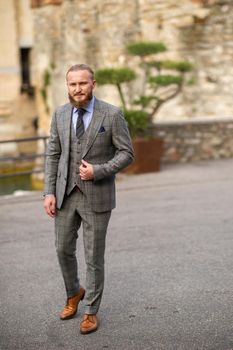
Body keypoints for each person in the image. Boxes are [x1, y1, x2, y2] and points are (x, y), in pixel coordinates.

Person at [43, 64, 134, 334]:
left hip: (97, 195)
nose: (77, 89)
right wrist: (49, 191)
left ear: (93, 84)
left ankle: (91, 311)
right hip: (64, 195)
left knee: (94, 257)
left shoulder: (112, 114)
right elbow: (53, 155)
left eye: (82, 84)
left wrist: (99, 171)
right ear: (67, 85)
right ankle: (74, 293)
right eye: (72, 84)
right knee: (62, 249)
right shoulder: (60, 114)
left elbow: (127, 153)